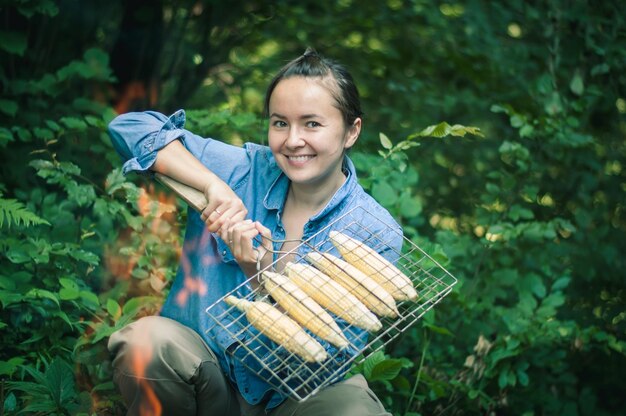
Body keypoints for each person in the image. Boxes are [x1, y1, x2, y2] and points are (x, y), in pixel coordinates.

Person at [107, 48, 403, 416]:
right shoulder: (244, 170)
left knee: (356, 409)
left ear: (350, 132)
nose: (292, 140)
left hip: (292, 401)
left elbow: (323, 356)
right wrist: (210, 183)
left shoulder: (373, 231)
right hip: (204, 381)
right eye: (280, 123)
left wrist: (260, 274)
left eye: (312, 124)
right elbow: (129, 128)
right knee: (146, 342)